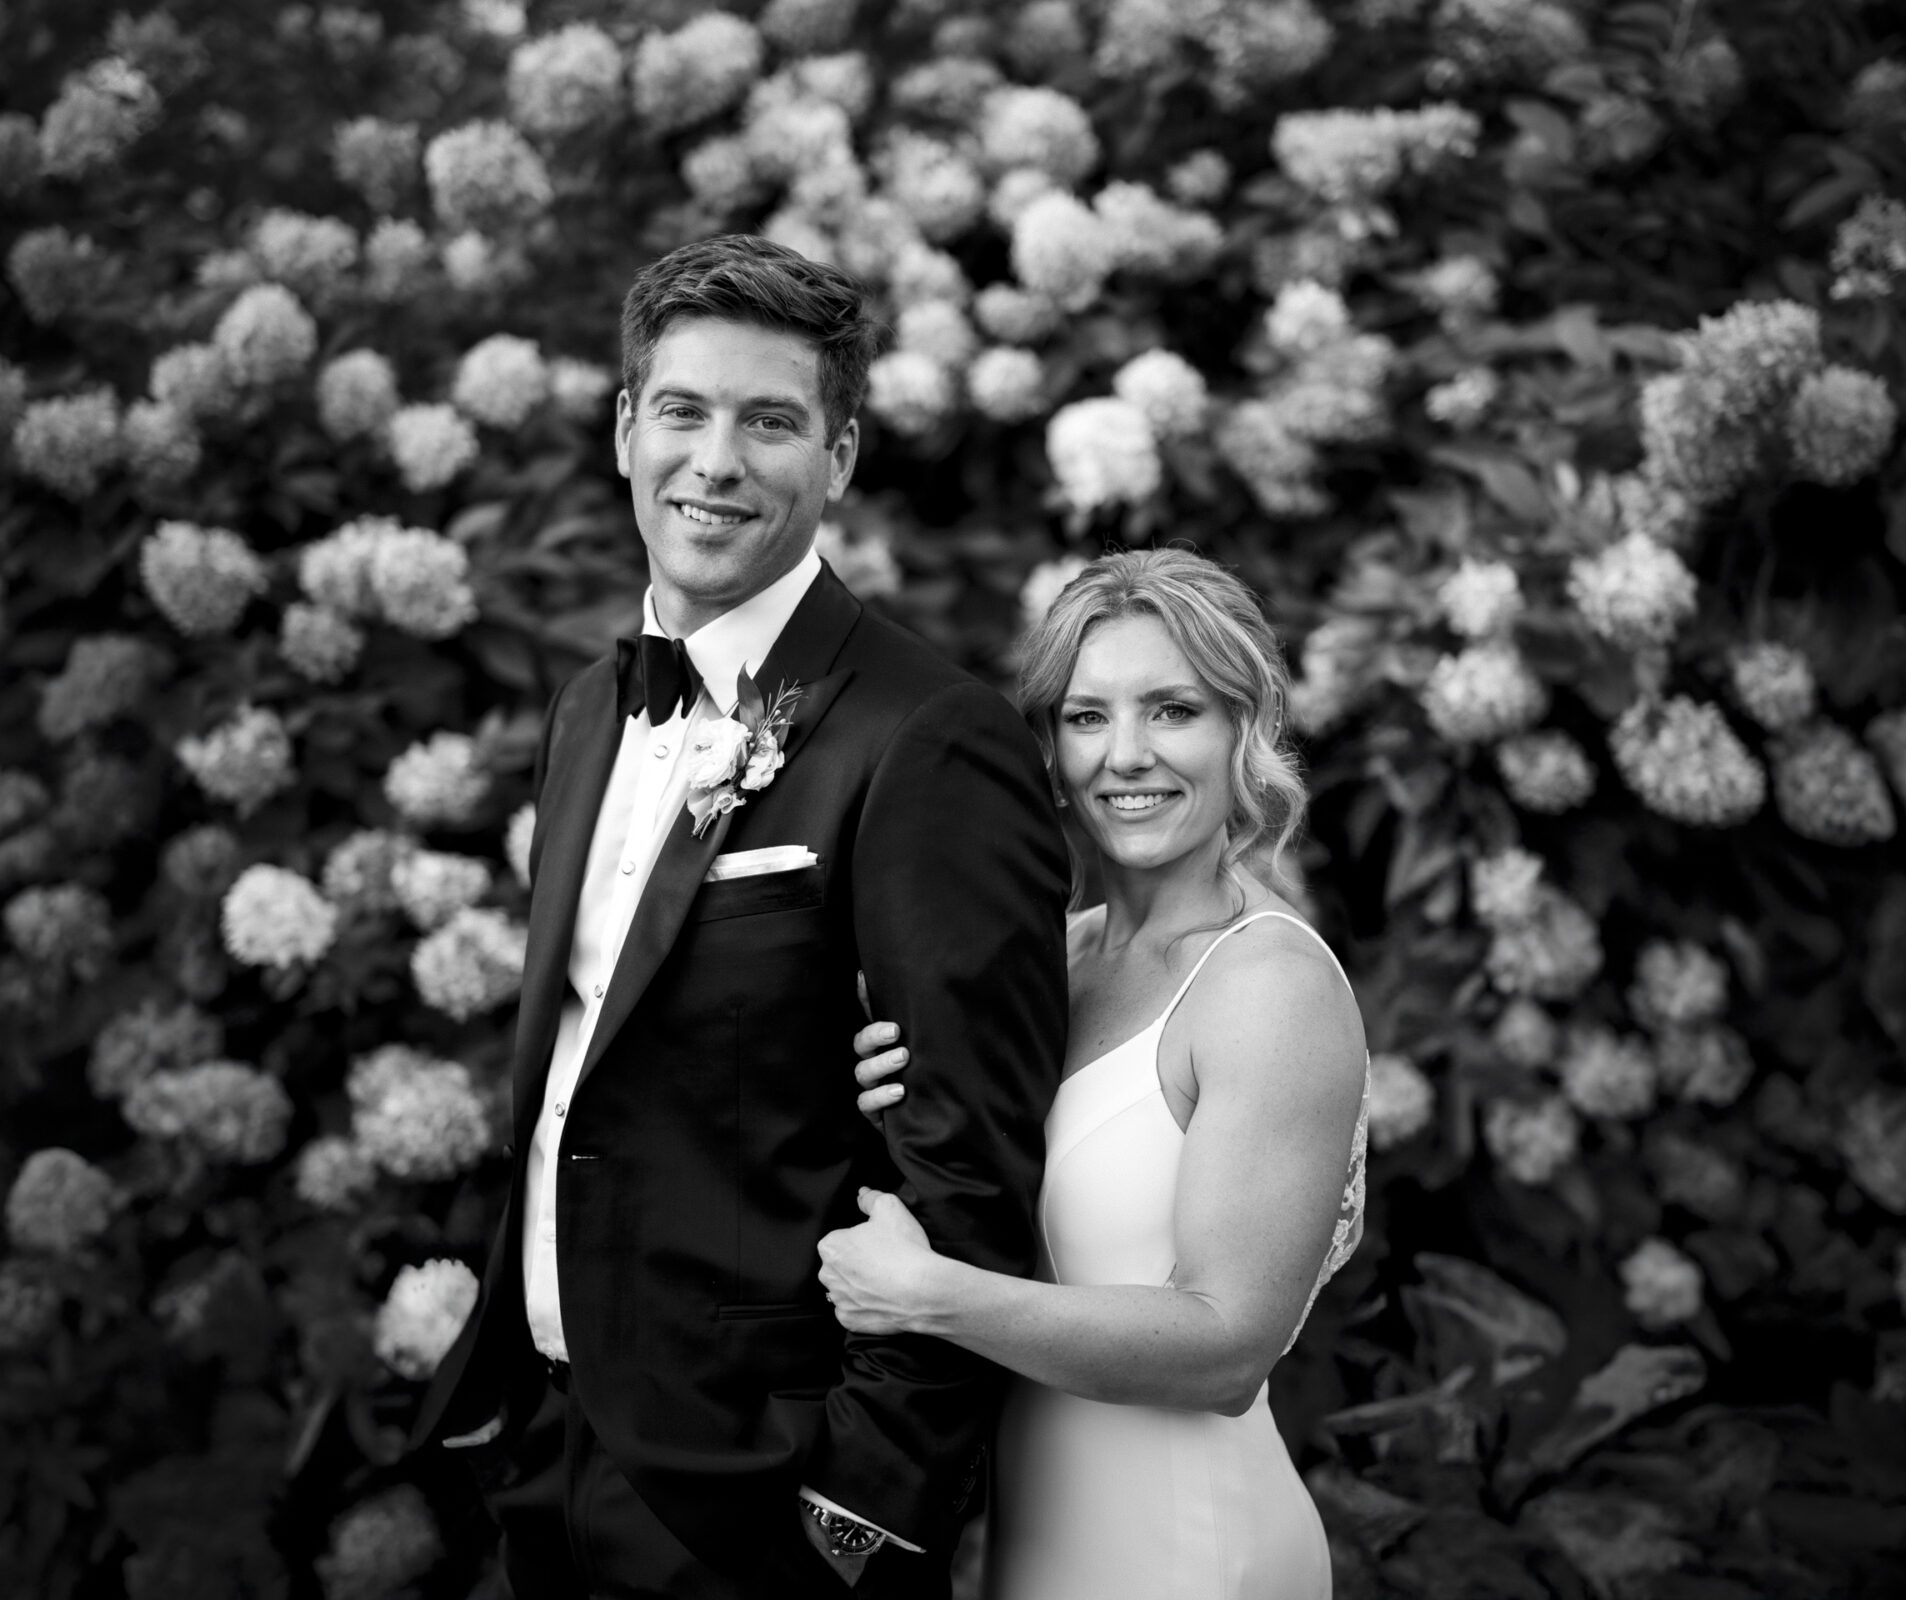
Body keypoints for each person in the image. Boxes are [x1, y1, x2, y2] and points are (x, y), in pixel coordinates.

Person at [412, 234, 1072, 1600]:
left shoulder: (928, 741)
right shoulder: (589, 710)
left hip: (757, 1508)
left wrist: (852, 1525)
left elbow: (969, 1176)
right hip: (543, 1447)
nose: (715, 460)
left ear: (835, 460)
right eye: (684, 411)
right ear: (624, 431)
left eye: (770, 421)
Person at [818, 549, 1370, 1600]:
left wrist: (933, 1297)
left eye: (1172, 710)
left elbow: (1222, 1347)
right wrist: (879, 1093)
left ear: (1241, 731)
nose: (1125, 755)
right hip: (1034, 1549)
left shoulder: (1266, 985)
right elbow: (977, 1191)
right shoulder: (1050, 959)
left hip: (1194, 1552)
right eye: (1085, 717)